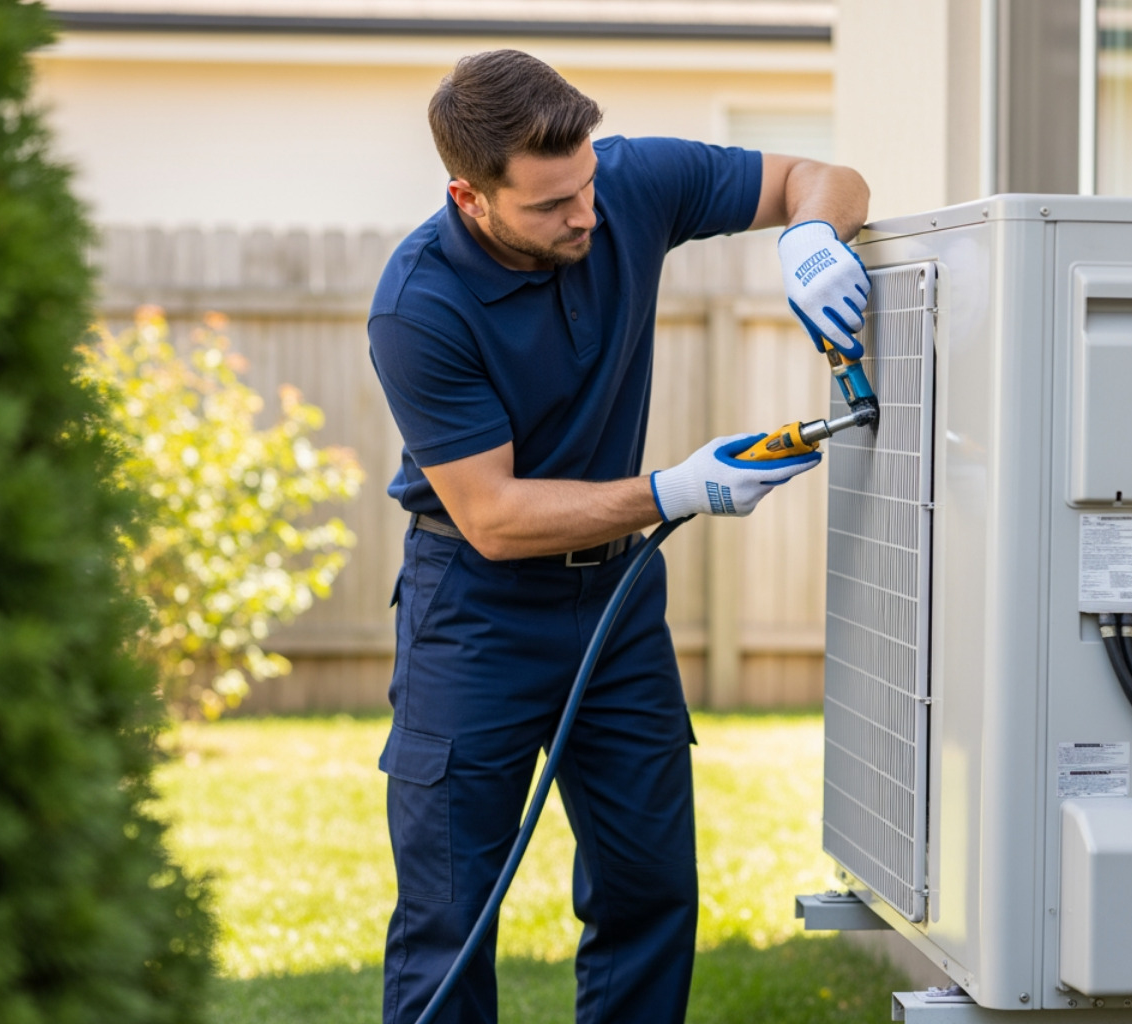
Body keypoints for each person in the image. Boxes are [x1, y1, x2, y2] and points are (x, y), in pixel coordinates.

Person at [367, 49, 870, 1024]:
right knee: (449, 916)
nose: (587, 217)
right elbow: (495, 517)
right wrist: (674, 488)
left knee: (649, 889)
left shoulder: (626, 182)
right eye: (551, 205)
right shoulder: (419, 303)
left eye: (588, 185)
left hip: (617, 601)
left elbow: (825, 177)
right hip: (474, 608)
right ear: (469, 197)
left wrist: (813, 238)